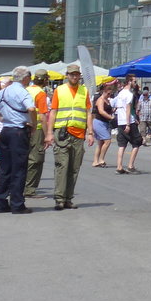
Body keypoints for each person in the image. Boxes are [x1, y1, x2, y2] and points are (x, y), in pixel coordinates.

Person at [45, 63, 93, 210]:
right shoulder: (59, 90)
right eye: (72, 74)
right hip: (62, 133)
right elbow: (53, 112)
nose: (74, 77)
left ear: (79, 76)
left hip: (79, 134)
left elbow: (88, 113)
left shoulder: (84, 91)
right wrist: (49, 133)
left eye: (76, 74)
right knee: (62, 166)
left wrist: (90, 133)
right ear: (67, 76)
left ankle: (68, 199)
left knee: (74, 168)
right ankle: (59, 199)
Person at [0, 66, 35, 214]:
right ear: (25, 78)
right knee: (19, 168)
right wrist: (33, 124)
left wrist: (1, 119)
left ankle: (1, 202)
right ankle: (17, 204)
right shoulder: (23, 92)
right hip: (18, 132)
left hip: (6, 130)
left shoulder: (4, 91)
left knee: (5, 168)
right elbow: (31, 109)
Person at [23, 74, 52, 199]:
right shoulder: (40, 93)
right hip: (37, 129)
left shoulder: (26, 89)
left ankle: (20, 186)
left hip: (23, 127)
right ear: (45, 80)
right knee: (36, 159)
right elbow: (42, 116)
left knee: (24, 158)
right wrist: (47, 135)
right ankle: (29, 189)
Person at [114, 77, 144, 173]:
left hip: (120, 121)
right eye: (134, 81)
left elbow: (118, 107)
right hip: (128, 122)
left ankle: (119, 167)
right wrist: (128, 124)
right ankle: (130, 166)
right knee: (137, 142)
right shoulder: (129, 94)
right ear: (129, 82)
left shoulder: (120, 93)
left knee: (122, 144)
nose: (135, 83)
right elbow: (127, 109)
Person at [91, 80, 117, 167]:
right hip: (99, 122)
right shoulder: (100, 100)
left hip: (105, 123)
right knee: (107, 141)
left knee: (100, 143)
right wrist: (111, 117)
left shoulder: (107, 100)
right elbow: (101, 111)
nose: (109, 95)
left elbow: (109, 110)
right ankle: (101, 159)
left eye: (110, 94)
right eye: (108, 93)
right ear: (104, 92)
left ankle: (95, 161)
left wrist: (114, 110)